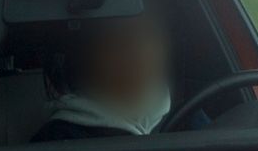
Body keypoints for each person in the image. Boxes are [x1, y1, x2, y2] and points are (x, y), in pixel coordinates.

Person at [32, 10, 172, 142]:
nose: (140, 56)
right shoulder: (57, 141)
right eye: (116, 39)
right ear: (82, 58)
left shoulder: (180, 117)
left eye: (150, 34)